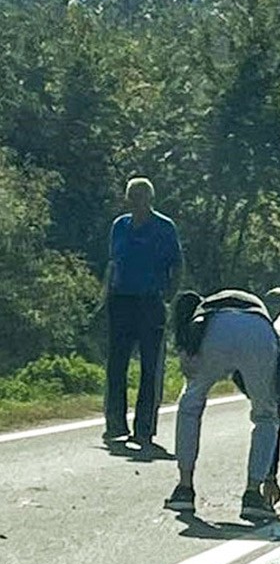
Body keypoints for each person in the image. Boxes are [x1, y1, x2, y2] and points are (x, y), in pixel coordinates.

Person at [164, 289, 280, 522]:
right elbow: (278, 399)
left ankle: (184, 488)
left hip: (212, 329)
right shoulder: (256, 311)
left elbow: (188, 369)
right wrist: (271, 476)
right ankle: (253, 494)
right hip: (258, 331)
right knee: (266, 415)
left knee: (190, 404)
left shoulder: (197, 318)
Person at [101, 177, 183, 447]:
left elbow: (177, 266)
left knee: (151, 367)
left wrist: (168, 296)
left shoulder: (163, 227)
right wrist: (107, 293)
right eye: (131, 196)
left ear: (150, 199)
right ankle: (115, 424)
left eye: (140, 196)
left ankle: (144, 427)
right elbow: (113, 262)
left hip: (150, 302)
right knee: (116, 365)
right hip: (121, 300)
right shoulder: (120, 226)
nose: (135, 201)